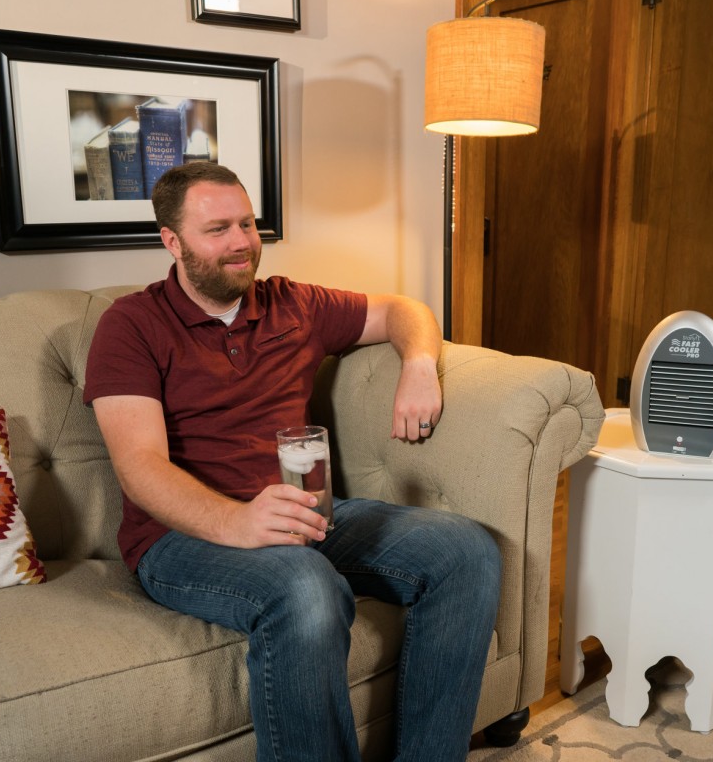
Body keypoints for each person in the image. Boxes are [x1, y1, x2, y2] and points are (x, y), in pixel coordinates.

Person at [83, 161, 501, 762]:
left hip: (305, 512)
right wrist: (237, 521)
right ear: (172, 241)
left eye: (247, 224)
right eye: (218, 229)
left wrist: (418, 365)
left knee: (466, 552)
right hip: (183, 538)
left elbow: (402, 309)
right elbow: (139, 468)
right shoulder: (131, 325)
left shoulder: (293, 303)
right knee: (306, 588)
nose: (241, 243)